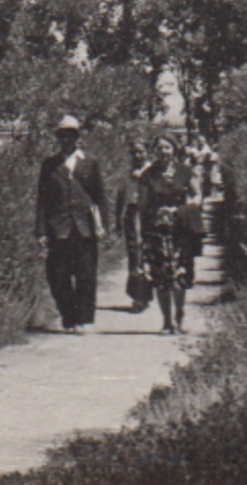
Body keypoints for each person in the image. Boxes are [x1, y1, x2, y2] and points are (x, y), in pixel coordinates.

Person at [34, 115, 106, 333]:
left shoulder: (90, 162)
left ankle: (82, 320)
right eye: (62, 136)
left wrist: (103, 226)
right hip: (58, 228)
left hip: (84, 227)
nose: (66, 140)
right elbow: (42, 200)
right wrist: (41, 231)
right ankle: (68, 316)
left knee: (85, 274)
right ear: (58, 138)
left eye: (70, 135)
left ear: (77, 137)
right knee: (57, 275)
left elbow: (100, 196)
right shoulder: (49, 165)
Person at [137, 134, 203, 335]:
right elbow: (142, 205)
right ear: (154, 151)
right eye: (159, 148)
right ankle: (166, 321)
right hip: (157, 232)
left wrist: (184, 209)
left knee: (180, 274)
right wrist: (142, 233)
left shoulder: (185, 172)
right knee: (161, 277)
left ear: (174, 149)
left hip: (180, 230)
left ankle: (180, 316)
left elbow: (198, 194)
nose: (163, 152)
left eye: (167, 147)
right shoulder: (148, 175)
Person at [114, 142, 153, 314]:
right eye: (134, 152)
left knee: (146, 253)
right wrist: (117, 220)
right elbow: (121, 196)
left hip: (148, 213)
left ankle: (144, 295)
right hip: (131, 212)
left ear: (147, 152)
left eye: (141, 152)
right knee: (133, 253)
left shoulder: (152, 170)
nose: (137, 155)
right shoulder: (127, 173)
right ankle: (137, 296)